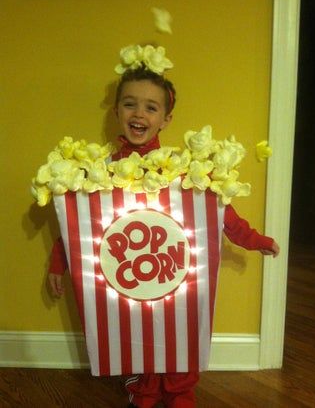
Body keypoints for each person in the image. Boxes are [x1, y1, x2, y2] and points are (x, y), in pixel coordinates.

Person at [49, 62, 280, 408]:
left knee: (179, 341)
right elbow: (80, 225)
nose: (139, 113)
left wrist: (256, 240)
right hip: (128, 282)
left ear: (166, 119)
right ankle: (143, 392)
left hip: (176, 280)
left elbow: (220, 215)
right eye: (130, 103)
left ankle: (180, 394)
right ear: (116, 111)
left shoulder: (185, 173)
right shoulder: (99, 175)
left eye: (151, 107)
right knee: (138, 341)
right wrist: (58, 263)